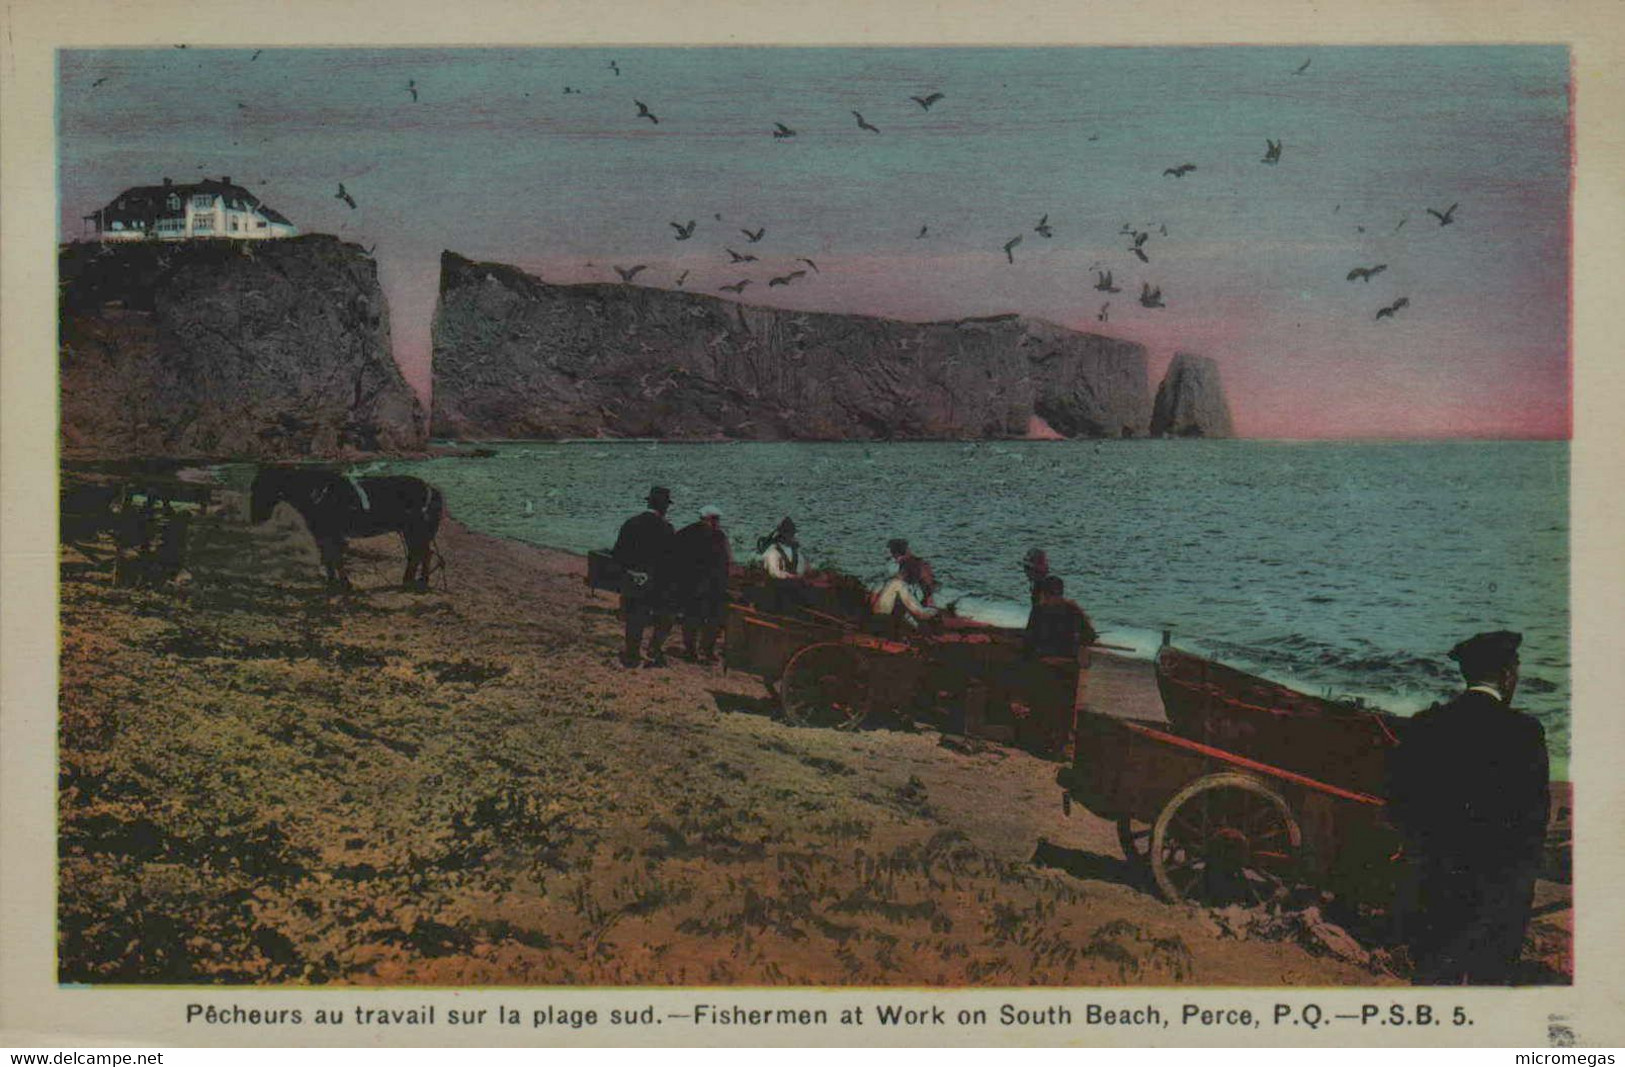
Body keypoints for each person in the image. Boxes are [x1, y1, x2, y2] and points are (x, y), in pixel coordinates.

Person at [1386, 630, 1550, 985]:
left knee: (1433, 987)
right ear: (1508, 675)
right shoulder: (1525, 732)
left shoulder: (1426, 725)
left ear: (1466, 674)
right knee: (1487, 995)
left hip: (1435, 886)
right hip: (1498, 896)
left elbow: (1397, 803)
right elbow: (1533, 826)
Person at [1005, 575, 1098, 755]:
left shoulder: (1040, 611)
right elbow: (1090, 636)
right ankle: (1058, 740)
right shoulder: (1073, 610)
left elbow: (1029, 642)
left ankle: (1036, 735)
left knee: (1024, 676)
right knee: (1062, 704)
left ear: (1045, 594)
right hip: (1068, 666)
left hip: (1047, 665)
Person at [611, 486, 676, 667]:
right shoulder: (666, 528)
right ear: (665, 507)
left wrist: (628, 572)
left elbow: (618, 554)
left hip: (631, 578)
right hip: (654, 581)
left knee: (634, 619)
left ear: (648, 502)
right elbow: (669, 561)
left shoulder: (631, 523)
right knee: (666, 617)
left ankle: (632, 653)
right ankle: (653, 649)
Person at [673, 505, 732, 663]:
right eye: (713, 519)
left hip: (713, 583)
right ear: (704, 518)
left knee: (711, 620)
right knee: (693, 618)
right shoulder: (690, 532)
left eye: (717, 519)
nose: (716, 522)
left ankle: (706, 650)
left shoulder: (719, 536)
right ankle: (692, 650)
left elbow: (727, 559)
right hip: (695, 582)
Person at [758, 517, 808, 613]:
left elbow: (801, 570)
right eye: (788, 533)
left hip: (792, 588)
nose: (791, 536)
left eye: (791, 534)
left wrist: (795, 577)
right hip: (776, 589)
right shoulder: (773, 551)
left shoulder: (796, 553)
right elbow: (774, 572)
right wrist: (790, 576)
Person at [887, 538, 938, 607]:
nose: (891, 555)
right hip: (927, 592)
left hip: (923, 595)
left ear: (896, 553)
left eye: (891, 552)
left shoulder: (909, 564)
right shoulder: (914, 561)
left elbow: (901, 580)